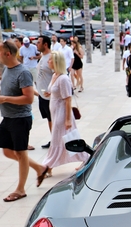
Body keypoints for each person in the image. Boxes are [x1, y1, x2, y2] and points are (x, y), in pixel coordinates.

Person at [0, 41, 48, 202]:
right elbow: (9, 88)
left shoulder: (23, 72)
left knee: (21, 153)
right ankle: (39, 168)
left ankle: (21, 189)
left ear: (7, 54)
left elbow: (29, 98)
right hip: (7, 118)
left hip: (20, 119)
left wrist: (5, 98)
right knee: (8, 151)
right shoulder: (7, 70)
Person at [39, 51, 90, 181]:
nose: (48, 61)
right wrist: (49, 94)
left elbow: (68, 99)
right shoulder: (55, 75)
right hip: (56, 112)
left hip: (62, 114)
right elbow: (57, 93)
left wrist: (67, 119)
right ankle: (86, 158)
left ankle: (48, 165)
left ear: (56, 62)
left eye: (50, 60)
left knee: (58, 139)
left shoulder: (63, 78)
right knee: (69, 139)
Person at [36, 35, 54, 149]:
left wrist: (52, 91)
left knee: (53, 119)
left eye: (38, 42)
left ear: (45, 44)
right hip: (42, 95)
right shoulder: (42, 57)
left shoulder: (51, 58)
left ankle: (57, 141)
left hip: (50, 96)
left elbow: (57, 74)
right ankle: (54, 139)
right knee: (49, 119)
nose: (36, 44)